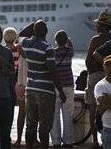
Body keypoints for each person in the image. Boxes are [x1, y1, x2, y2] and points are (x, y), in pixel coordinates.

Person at [20, 20, 66, 149]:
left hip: (30, 90)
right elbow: (53, 71)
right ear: (46, 31)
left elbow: (20, 35)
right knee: (44, 127)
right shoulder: (48, 48)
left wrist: (32, 26)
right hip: (46, 92)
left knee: (30, 126)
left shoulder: (26, 44)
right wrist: (61, 91)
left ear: (33, 30)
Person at [84, 12, 111, 148]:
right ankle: (108, 141)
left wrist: (92, 67)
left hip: (95, 76)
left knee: (93, 108)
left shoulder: (95, 40)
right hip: (110, 77)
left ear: (103, 26)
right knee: (109, 108)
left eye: (98, 24)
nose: (96, 25)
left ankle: (96, 141)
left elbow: (87, 61)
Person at [50, 30, 75, 148]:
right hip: (68, 86)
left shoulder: (53, 53)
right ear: (66, 40)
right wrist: (68, 41)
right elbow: (71, 45)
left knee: (54, 115)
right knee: (68, 115)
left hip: (55, 86)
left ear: (56, 41)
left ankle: (56, 142)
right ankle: (68, 141)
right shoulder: (69, 51)